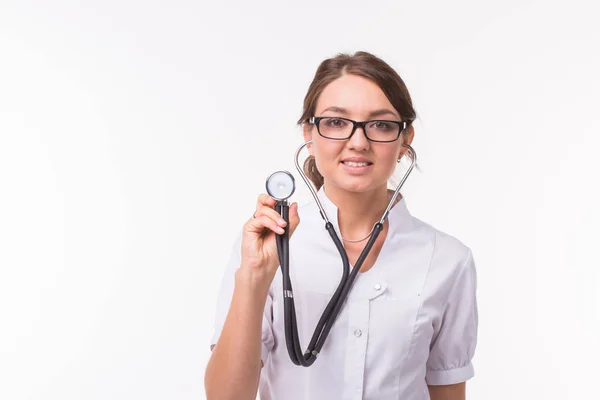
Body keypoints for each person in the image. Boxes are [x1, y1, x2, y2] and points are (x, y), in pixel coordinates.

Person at [204, 51, 478, 400]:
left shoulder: (448, 260)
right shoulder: (268, 249)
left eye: (381, 124)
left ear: (405, 139)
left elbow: (447, 392)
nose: (359, 142)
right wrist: (255, 277)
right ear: (309, 132)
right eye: (336, 122)